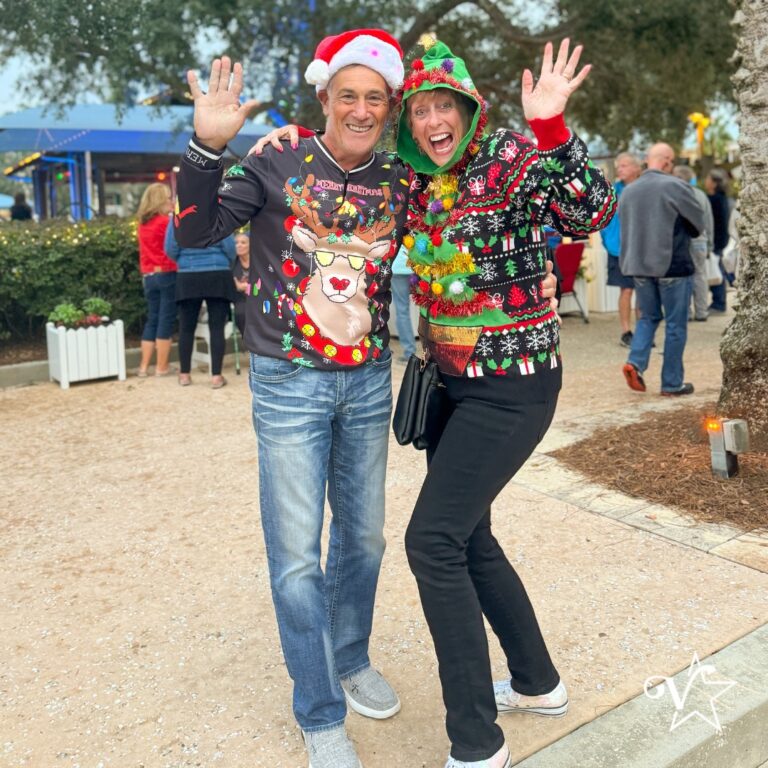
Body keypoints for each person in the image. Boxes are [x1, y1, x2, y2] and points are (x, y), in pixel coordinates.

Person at [173, 30, 410, 768]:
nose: (361, 109)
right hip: (287, 381)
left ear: (390, 105)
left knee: (365, 540)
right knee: (296, 559)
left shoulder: (402, 180)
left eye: (375, 97)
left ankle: (349, 655)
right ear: (325, 97)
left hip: (369, 378)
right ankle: (319, 711)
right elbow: (197, 233)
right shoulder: (276, 158)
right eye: (349, 94)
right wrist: (207, 150)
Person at [393, 37, 615, 768]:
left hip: (513, 382)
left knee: (431, 541)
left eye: (442, 106)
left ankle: (477, 745)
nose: (432, 120)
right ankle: (537, 681)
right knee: (467, 537)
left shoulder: (513, 158)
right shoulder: (419, 184)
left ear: (468, 109)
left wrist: (552, 128)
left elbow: (587, 213)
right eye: (419, 109)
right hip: (450, 383)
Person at [620, 143, 705, 396]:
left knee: (648, 317)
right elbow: (697, 224)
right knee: (675, 325)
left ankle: (635, 363)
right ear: (668, 162)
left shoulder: (628, 191)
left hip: (639, 266)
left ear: (648, 160)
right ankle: (671, 383)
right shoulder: (675, 186)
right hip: (673, 266)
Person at [164, 223, 236, 388]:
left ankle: (184, 375)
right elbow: (230, 247)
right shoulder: (217, 211)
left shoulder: (178, 214)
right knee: (217, 327)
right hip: (218, 272)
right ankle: (216, 376)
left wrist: (184, 260)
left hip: (188, 274)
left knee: (186, 327)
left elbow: (170, 247)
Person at [600, 152, 642, 346]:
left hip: (642, 249)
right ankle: (626, 331)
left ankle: (643, 331)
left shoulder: (644, 188)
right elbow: (602, 218)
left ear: (636, 168)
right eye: (619, 166)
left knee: (644, 291)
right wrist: (608, 241)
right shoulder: (612, 191)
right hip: (619, 249)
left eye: (624, 165)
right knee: (626, 290)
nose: (619, 169)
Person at [136, 182, 177, 377]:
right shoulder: (165, 222)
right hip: (167, 273)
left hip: (149, 275)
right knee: (166, 319)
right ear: (160, 200)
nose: (171, 200)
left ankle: (143, 367)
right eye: (168, 197)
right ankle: (162, 367)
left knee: (152, 319)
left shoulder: (142, 224)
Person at [672, 165, 713, 321]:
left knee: (684, 276)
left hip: (683, 241)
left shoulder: (676, 194)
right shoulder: (701, 195)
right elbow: (709, 221)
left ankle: (687, 312)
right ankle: (702, 312)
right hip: (701, 241)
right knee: (700, 275)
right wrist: (710, 243)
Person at [706, 168, 731, 312]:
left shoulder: (715, 200)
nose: (706, 181)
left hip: (716, 240)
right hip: (720, 239)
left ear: (715, 183)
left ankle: (719, 302)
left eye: (709, 179)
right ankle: (718, 301)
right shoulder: (721, 198)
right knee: (717, 267)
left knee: (716, 269)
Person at [390, 244, 417, 360]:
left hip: (397, 268)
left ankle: (409, 353)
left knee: (401, 312)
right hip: (413, 267)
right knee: (405, 310)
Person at [232, 231, 250, 337]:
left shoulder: (258, 262)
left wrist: (248, 287)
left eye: (243, 242)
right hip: (240, 299)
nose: (239, 245)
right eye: (236, 243)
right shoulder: (232, 263)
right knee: (241, 313)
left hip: (259, 298)